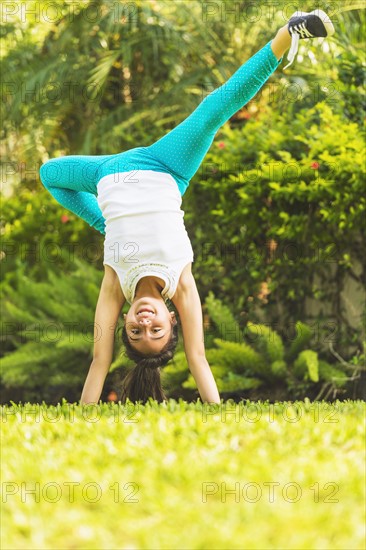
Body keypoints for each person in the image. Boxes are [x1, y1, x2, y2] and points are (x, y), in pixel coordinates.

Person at [39, 10, 335, 405]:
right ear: (171, 318)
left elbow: (99, 361)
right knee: (215, 109)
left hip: (106, 174)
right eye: (156, 331)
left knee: (48, 174)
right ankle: (288, 33)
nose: (145, 324)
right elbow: (197, 356)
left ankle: (105, 221)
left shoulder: (115, 284)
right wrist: (219, 417)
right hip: (167, 165)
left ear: (123, 322)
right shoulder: (182, 282)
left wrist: (108, 224)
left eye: (135, 332)